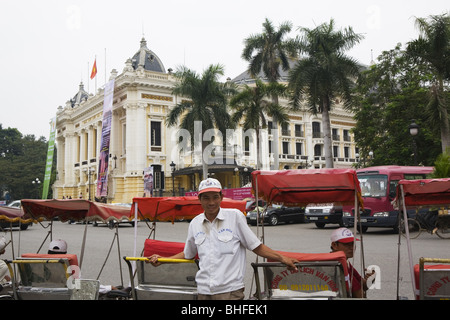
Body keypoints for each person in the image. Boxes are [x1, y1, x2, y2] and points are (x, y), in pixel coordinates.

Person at [149, 178, 298, 300]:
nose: (211, 202)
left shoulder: (235, 217)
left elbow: (255, 246)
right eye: (206, 198)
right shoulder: (195, 223)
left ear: (221, 197)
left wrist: (282, 258)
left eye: (215, 197)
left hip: (230, 290)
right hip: (204, 290)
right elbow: (188, 254)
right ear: (199, 199)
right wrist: (162, 259)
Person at [330, 227, 375, 298]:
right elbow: (359, 296)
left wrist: (370, 279)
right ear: (334, 245)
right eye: (347, 244)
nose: (352, 247)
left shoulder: (345, 261)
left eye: (353, 244)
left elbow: (362, 284)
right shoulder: (339, 264)